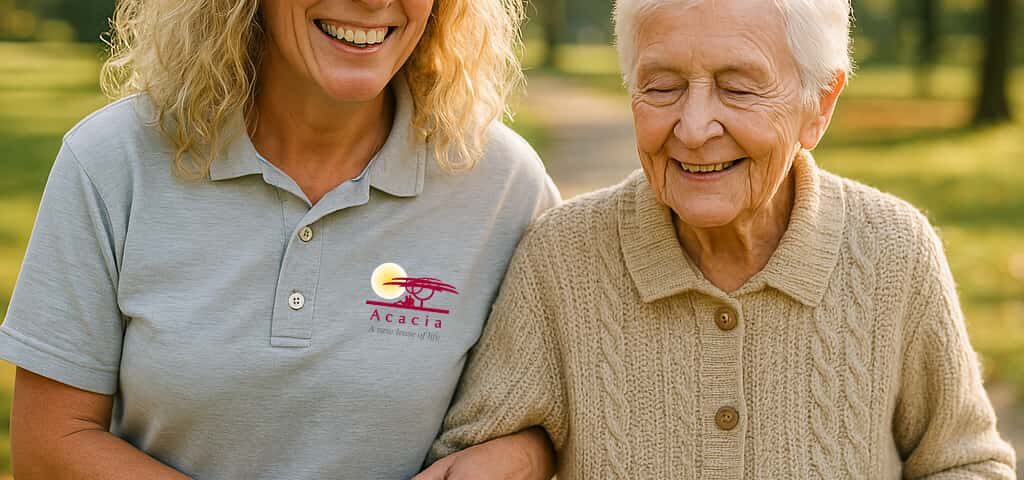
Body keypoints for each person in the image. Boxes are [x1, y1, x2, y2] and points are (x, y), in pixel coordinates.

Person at [427, 0, 1017, 477]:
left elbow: (964, 461)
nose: (694, 127)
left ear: (820, 104)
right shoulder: (562, 258)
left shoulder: (894, 252)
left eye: (738, 88)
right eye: (662, 87)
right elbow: (478, 450)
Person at [1, 0, 559, 478]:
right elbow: (49, 445)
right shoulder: (112, 162)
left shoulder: (504, 186)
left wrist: (529, 453)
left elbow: (564, 408)